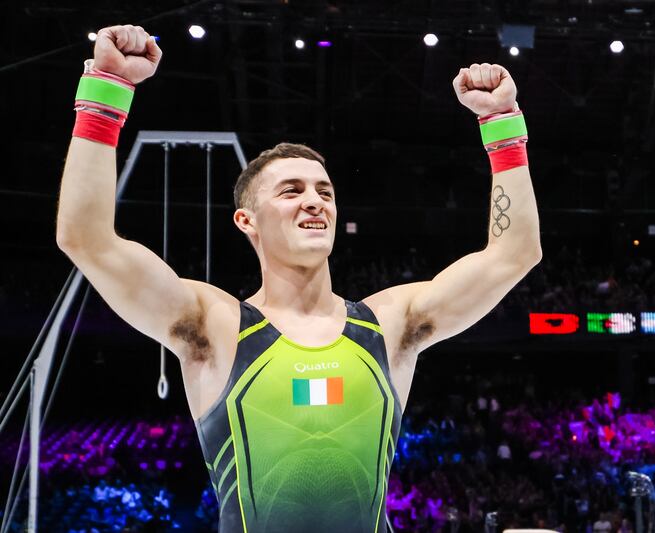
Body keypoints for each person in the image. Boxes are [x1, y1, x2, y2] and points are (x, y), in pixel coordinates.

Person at [56, 24, 542, 533]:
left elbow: (515, 253)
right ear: (247, 221)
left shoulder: (391, 324)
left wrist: (501, 122)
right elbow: (86, 239)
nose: (314, 201)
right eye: (291, 191)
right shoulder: (212, 325)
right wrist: (105, 91)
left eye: (325, 191)